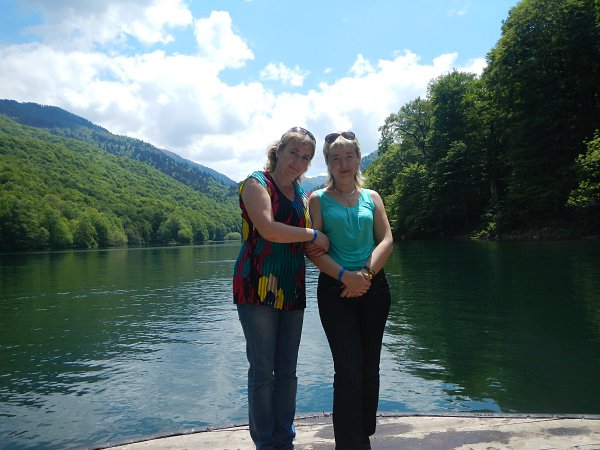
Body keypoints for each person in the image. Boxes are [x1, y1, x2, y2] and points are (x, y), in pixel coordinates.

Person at [233, 127, 329, 450]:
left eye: (306, 158)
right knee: (263, 371)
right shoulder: (256, 183)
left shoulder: (303, 195)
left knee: (288, 371)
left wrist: (347, 272)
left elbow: (311, 245)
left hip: (292, 287)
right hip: (257, 285)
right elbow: (268, 229)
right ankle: (265, 443)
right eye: (293, 153)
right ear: (278, 151)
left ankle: (284, 440)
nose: (298, 162)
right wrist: (313, 235)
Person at [306, 131, 393, 450]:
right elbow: (313, 249)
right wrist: (346, 277)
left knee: (370, 367)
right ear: (328, 163)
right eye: (335, 158)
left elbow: (387, 239)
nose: (343, 163)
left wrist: (365, 275)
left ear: (358, 158)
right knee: (347, 369)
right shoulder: (317, 199)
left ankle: (363, 433)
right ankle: (348, 443)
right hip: (335, 291)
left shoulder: (372, 197)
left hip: (374, 287)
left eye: (348, 156)